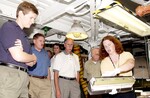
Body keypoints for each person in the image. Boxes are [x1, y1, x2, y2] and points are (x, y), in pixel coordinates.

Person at [0, 1, 38, 98]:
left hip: (24, 76)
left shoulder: (24, 37)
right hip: (10, 74)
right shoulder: (9, 27)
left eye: (34, 19)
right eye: (31, 17)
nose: (33, 21)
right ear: (21, 14)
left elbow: (31, 63)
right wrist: (32, 57)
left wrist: (29, 58)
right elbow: (18, 56)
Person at [28, 33, 51, 98]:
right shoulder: (29, 51)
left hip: (45, 82)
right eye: (40, 41)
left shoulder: (46, 53)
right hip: (33, 81)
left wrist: (49, 82)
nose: (42, 43)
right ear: (34, 41)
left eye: (43, 41)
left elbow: (48, 69)